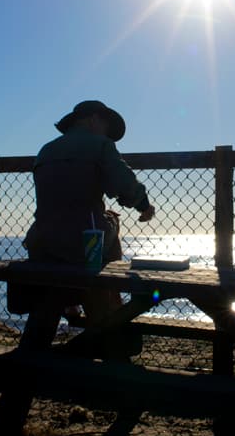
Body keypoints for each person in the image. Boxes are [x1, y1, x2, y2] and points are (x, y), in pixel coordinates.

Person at [18, 100, 155, 331]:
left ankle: (71, 304)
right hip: (81, 245)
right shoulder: (100, 146)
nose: (108, 135)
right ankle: (110, 300)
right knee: (111, 220)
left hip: (41, 244)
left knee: (47, 304)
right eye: (106, 127)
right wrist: (144, 206)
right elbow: (125, 186)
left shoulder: (46, 150)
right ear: (94, 119)